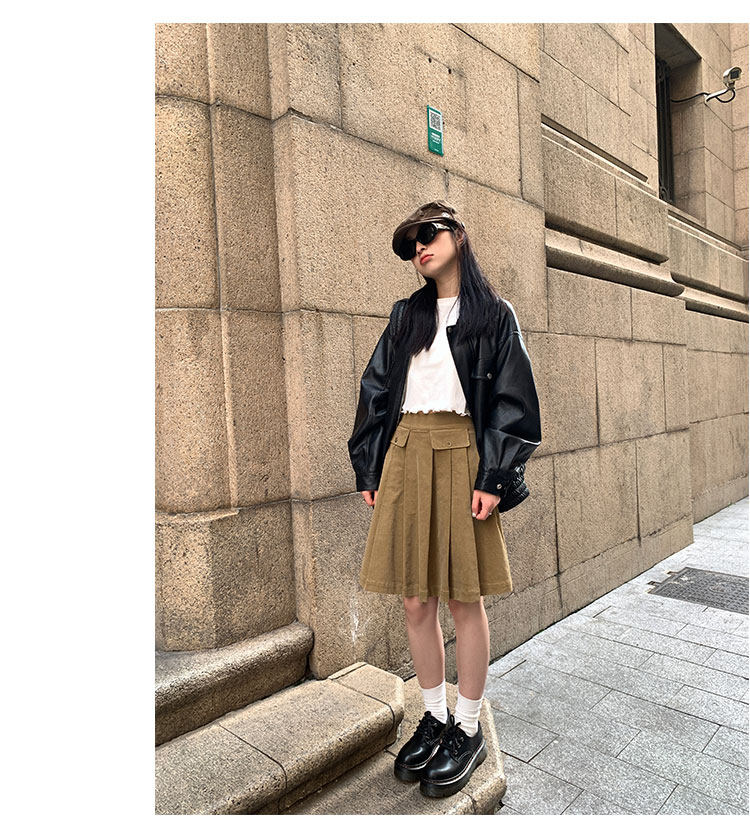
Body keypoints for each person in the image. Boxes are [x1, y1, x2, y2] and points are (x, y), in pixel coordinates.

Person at [347, 200, 542, 799]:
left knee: (463, 597)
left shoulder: (493, 315)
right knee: (414, 597)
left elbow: (514, 400)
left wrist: (495, 475)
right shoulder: (406, 315)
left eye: (428, 235)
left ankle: (468, 725)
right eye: (411, 244)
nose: (419, 249)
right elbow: (377, 389)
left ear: (459, 235)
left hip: (463, 455)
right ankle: (433, 716)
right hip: (406, 451)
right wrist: (369, 462)